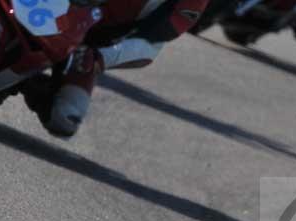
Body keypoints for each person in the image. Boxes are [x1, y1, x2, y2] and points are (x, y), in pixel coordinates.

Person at [23, 0, 209, 137]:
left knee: (64, 119)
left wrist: (98, 57)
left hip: (91, 35)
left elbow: (167, 29)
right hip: (53, 5)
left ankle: (30, 83)